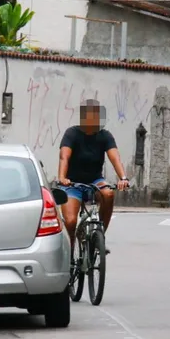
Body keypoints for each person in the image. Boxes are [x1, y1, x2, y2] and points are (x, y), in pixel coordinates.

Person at [57, 99, 129, 259]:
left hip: (95, 181)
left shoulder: (105, 136)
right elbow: (64, 157)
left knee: (108, 194)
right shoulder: (72, 133)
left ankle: (99, 236)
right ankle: (71, 249)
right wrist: (62, 177)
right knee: (70, 221)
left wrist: (123, 177)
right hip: (72, 183)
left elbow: (115, 157)